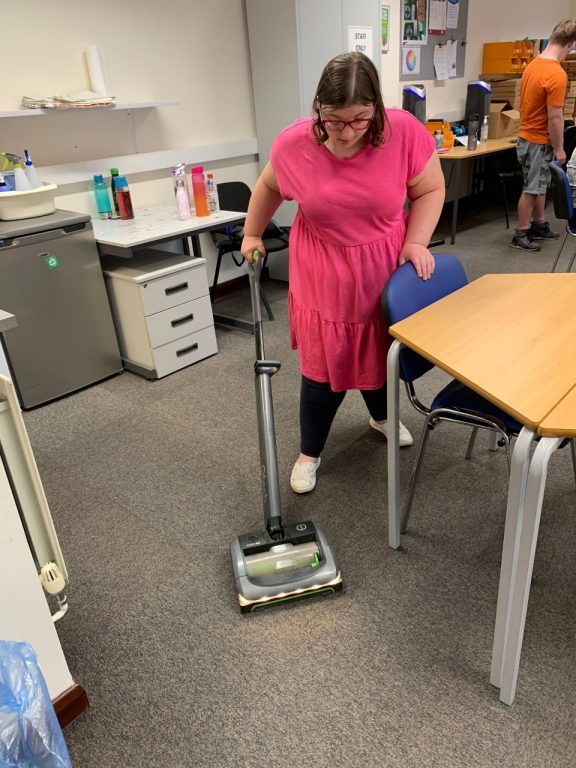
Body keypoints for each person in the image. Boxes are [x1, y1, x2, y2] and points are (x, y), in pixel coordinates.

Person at [241, 52, 445, 494]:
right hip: (323, 269)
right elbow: (269, 187)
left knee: (376, 350)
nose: (348, 132)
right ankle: (309, 452)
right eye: (335, 121)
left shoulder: (402, 131)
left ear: (376, 107)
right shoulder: (294, 143)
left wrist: (415, 241)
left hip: (381, 264)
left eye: (360, 119)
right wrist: (252, 234)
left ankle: (382, 416)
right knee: (322, 367)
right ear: (319, 108)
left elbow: (429, 188)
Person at [511, 19, 576, 252]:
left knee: (540, 185)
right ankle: (520, 233)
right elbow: (555, 118)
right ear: (570, 44)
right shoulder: (556, 74)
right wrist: (560, 149)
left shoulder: (533, 64)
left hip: (527, 136)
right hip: (538, 140)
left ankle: (537, 224)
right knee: (531, 188)